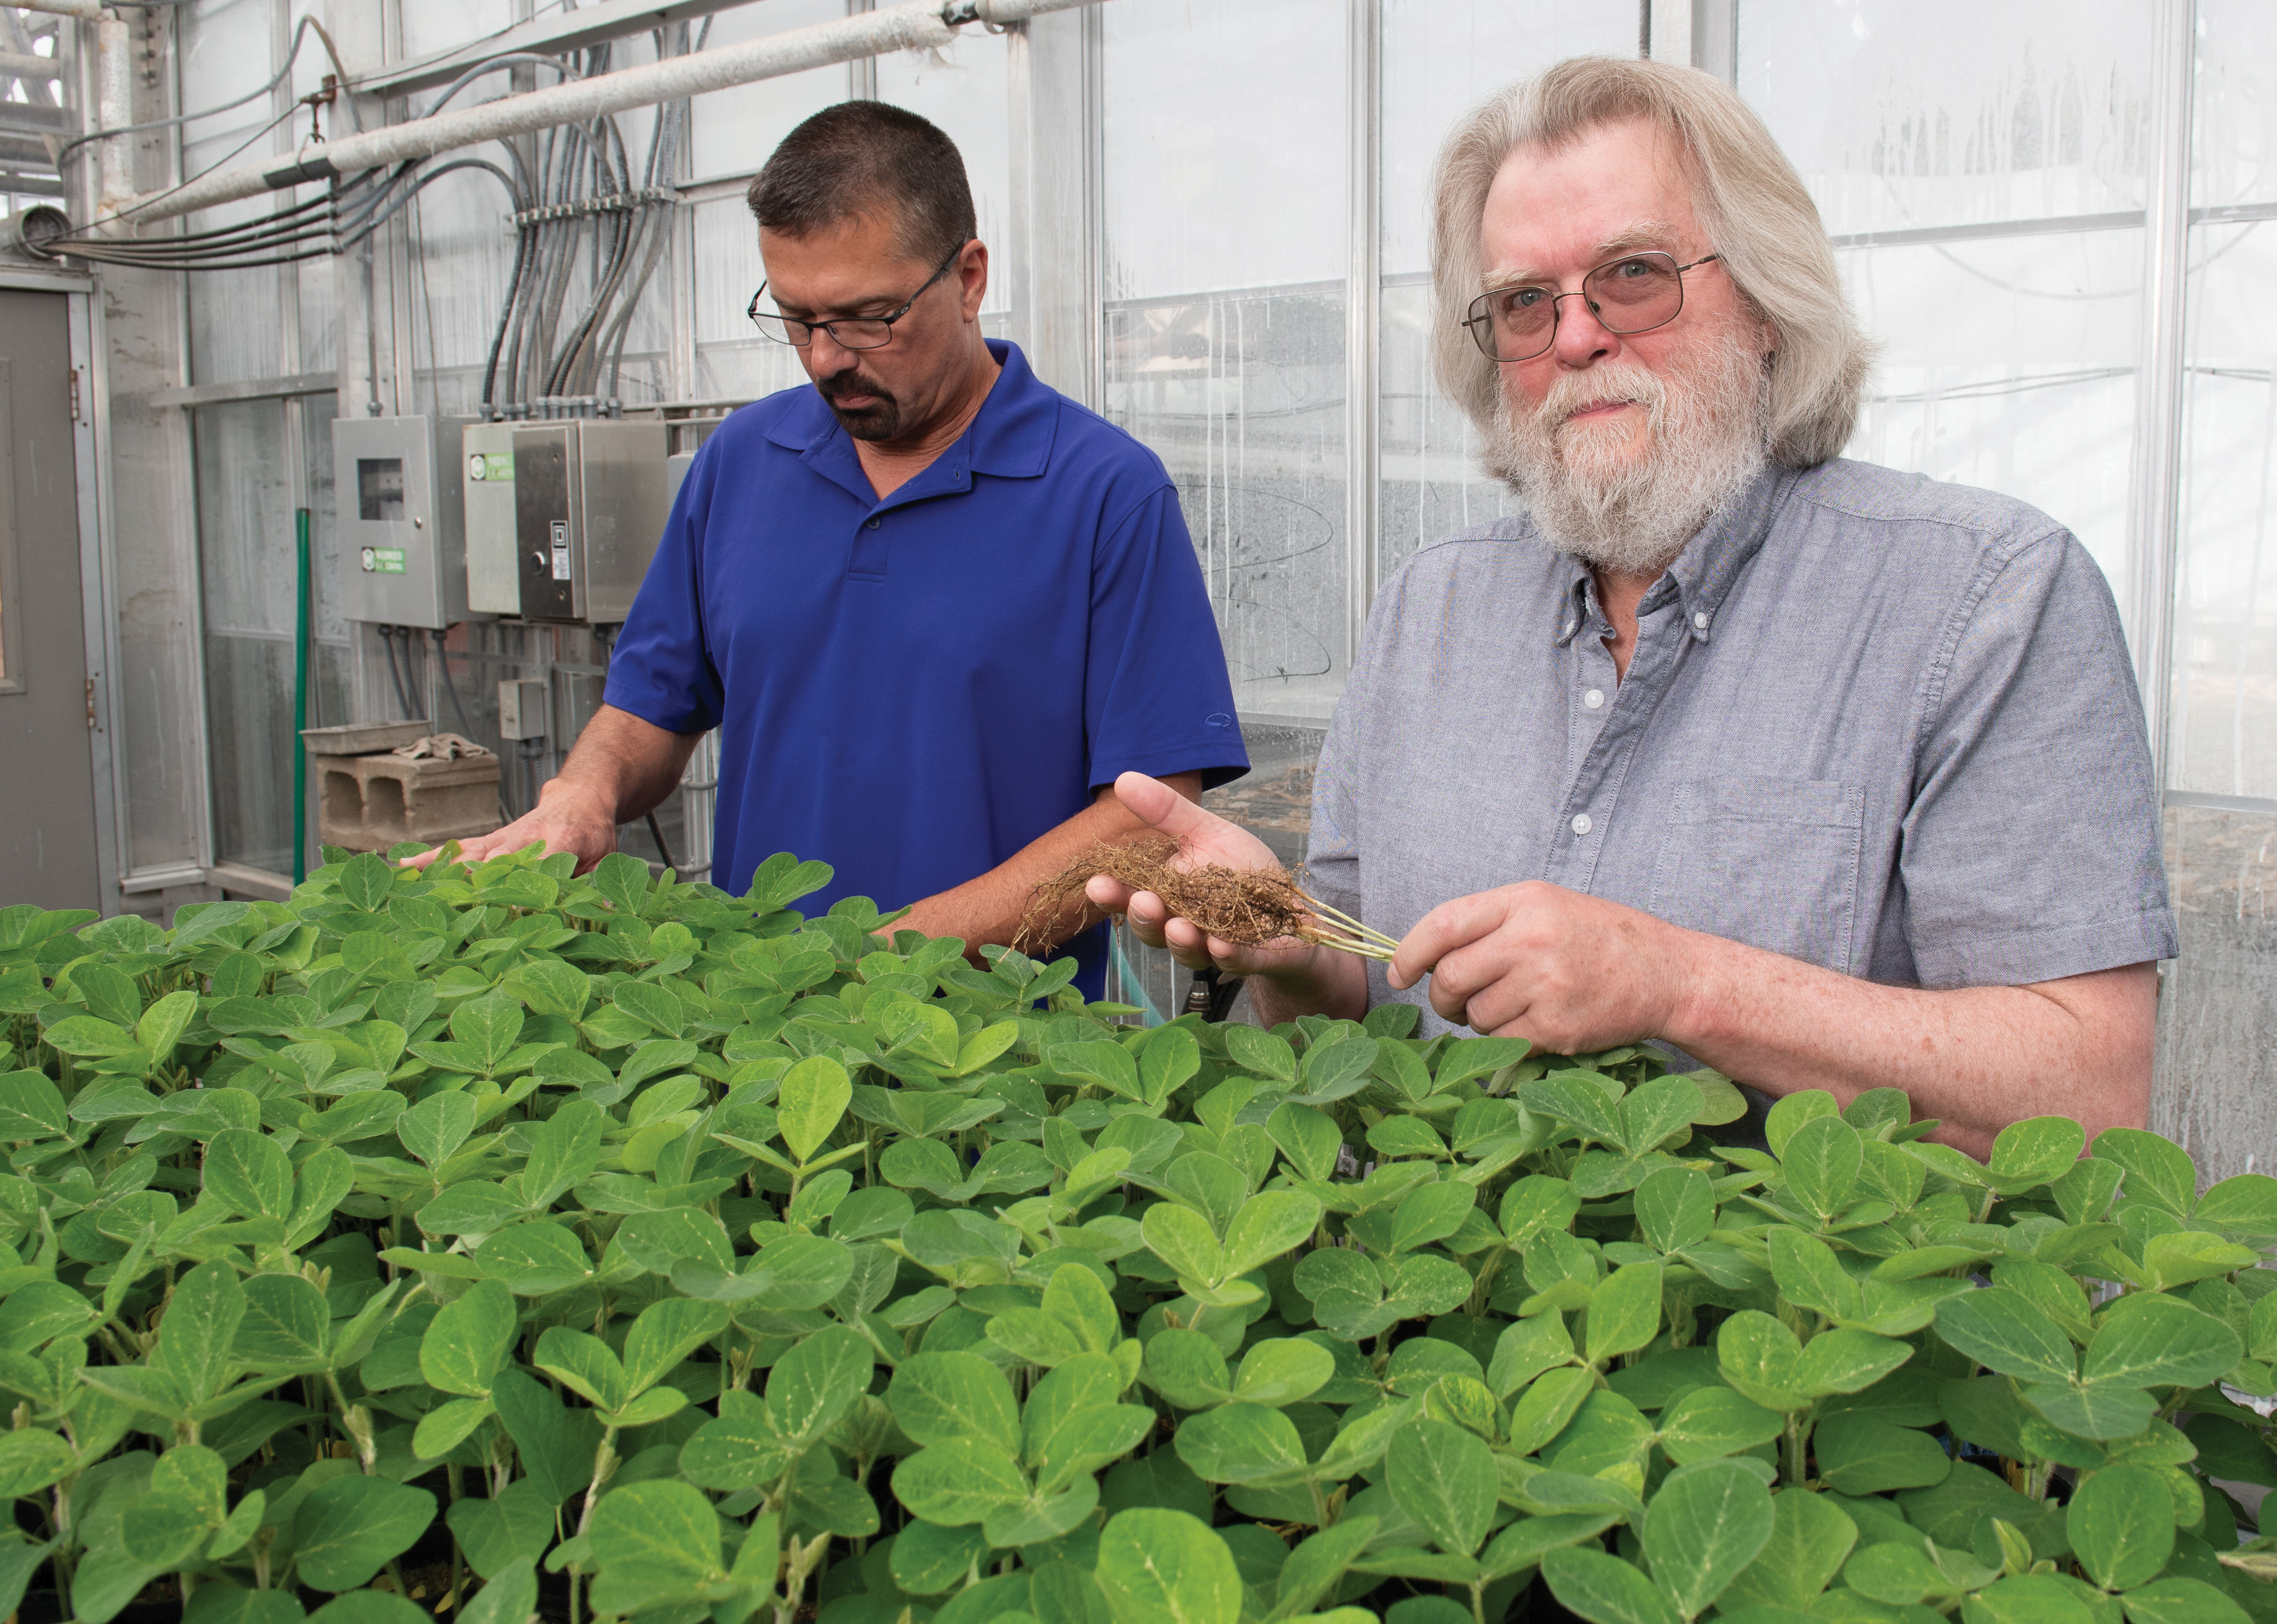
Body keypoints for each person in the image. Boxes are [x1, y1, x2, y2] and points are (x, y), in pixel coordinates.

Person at [1091, 57, 2174, 1154]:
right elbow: (1366, 1015)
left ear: (1763, 302)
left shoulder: (1986, 597)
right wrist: (1297, 954)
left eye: (1635, 274)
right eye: (1526, 302)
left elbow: (2086, 1096)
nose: (1575, 337)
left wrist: (1679, 982)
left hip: (1788, 1315)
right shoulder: (1433, 607)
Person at [450, 101, 1247, 998]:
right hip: (751, 1017)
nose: (825, 358)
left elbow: (1147, 820)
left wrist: (894, 959)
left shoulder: (1104, 492)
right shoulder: (741, 463)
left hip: (998, 1071)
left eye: (868, 319)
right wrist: (584, 792)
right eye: (795, 318)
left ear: (969, 277)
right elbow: (652, 702)